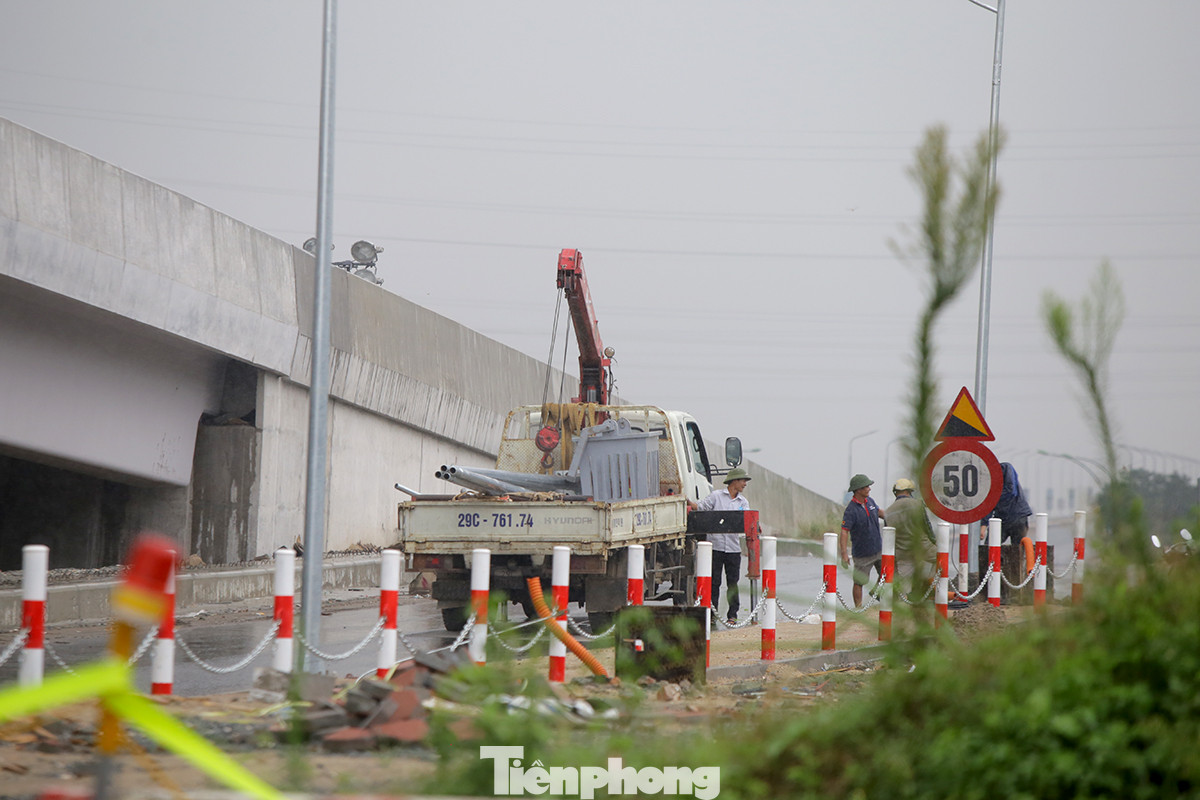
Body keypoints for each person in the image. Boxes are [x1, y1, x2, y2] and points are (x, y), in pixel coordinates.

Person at [695, 467, 751, 625]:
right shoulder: (716, 496)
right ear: (734, 481)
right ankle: (712, 614)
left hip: (733, 549)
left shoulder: (743, 502)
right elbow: (701, 507)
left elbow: (746, 522)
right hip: (716, 546)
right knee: (714, 582)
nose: (745, 484)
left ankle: (732, 615)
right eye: (743, 481)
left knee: (732, 583)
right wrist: (688, 503)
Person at [884, 478, 936, 599]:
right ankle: (929, 586)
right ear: (908, 491)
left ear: (895, 492)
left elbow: (889, 537)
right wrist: (934, 541)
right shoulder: (917, 504)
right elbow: (926, 526)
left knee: (904, 585)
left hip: (902, 551)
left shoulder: (888, 512)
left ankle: (905, 605)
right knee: (940, 558)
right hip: (922, 546)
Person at [840, 473, 884, 609]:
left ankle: (876, 591)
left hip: (878, 548)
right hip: (862, 553)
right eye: (866, 487)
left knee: (887, 573)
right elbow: (844, 531)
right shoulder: (851, 510)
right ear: (858, 489)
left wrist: (896, 516)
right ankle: (858, 608)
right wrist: (844, 554)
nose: (869, 489)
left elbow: (880, 513)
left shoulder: (870, 502)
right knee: (859, 582)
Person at [981, 462, 1033, 544]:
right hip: (1000, 519)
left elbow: (1010, 490)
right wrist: (983, 525)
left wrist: (992, 497)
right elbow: (988, 504)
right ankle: (997, 557)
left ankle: (1016, 556)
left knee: (1017, 550)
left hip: (1017, 516)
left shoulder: (1005, 468)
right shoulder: (986, 481)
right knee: (989, 547)